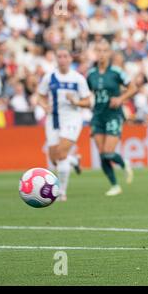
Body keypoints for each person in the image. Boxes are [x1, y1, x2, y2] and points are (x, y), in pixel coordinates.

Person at [37, 46, 91, 202]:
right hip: (53, 119)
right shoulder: (49, 77)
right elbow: (40, 96)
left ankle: (61, 192)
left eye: (65, 56)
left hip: (72, 118)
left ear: (70, 59)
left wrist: (75, 101)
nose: (62, 59)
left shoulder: (78, 79)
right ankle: (74, 160)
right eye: (59, 56)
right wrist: (44, 105)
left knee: (61, 154)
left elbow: (88, 101)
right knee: (54, 159)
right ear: (56, 58)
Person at [87, 39, 137, 196]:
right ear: (95, 53)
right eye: (99, 51)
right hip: (97, 116)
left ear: (109, 53)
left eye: (104, 51)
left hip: (113, 115)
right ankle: (115, 185)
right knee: (101, 153)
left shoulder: (116, 72)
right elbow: (89, 93)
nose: (101, 54)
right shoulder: (91, 74)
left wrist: (121, 99)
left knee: (109, 151)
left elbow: (133, 87)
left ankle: (124, 163)